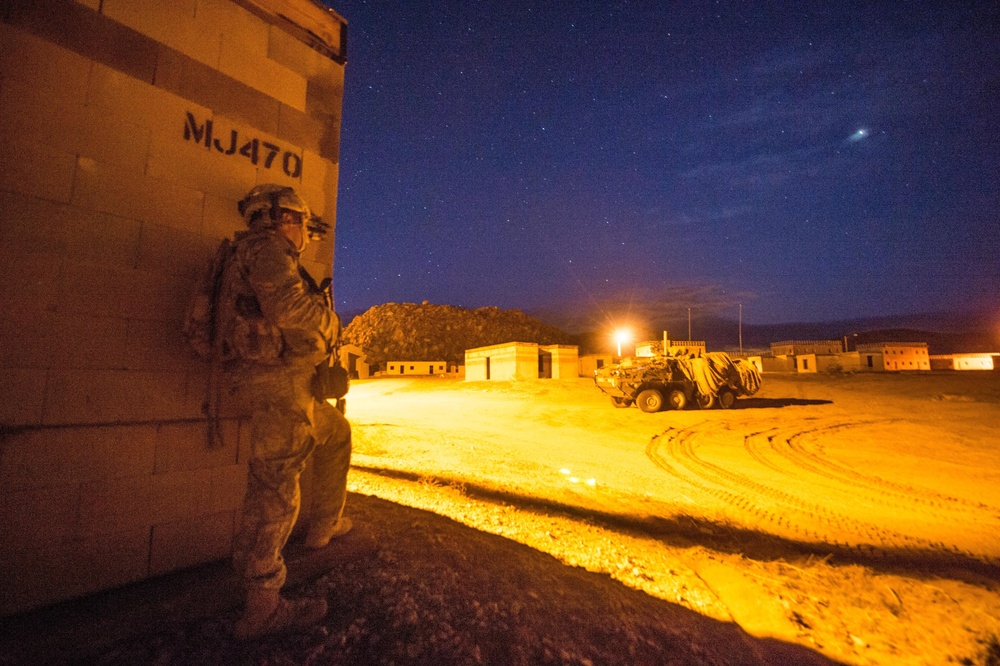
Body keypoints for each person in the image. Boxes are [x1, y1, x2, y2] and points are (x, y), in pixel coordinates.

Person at [217, 184, 353, 639]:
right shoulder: (268, 249)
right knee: (275, 488)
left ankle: (324, 524)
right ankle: (263, 606)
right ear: (285, 220)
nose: (305, 236)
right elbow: (289, 306)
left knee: (335, 433)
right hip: (276, 385)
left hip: (284, 382)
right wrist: (331, 323)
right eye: (302, 225)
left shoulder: (249, 252)